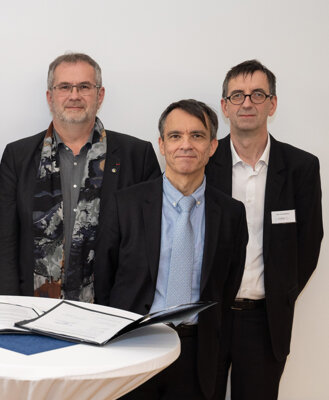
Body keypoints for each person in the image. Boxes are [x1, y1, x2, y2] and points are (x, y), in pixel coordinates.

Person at [95, 99, 247, 399]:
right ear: (162, 145)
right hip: (135, 348)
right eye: (175, 136)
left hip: (198, 354)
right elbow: (104, 278)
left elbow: (228, 286)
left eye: (197, 136)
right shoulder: (125, 205)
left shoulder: (231, 214)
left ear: (212, 146)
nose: (186, 145)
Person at [0, 52, 160, 301]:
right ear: (50, 97)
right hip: (32, 308)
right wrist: (10, 309)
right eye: (65, 87)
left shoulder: (137, 156)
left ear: (100, 95)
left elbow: (145, 249)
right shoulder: (18, 156)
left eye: (84, 87)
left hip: (111, 309)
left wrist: (124, 312)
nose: (74, 95)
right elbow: (2, 245)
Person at [206, 60, 323, 400]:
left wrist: (281, 295)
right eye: (238, 95)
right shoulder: (203, 162)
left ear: (272, 104)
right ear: (225, 106)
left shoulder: (301, 167)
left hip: (264, 322)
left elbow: (308, 244)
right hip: (209, 318)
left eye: (257, 94)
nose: (247, 103)